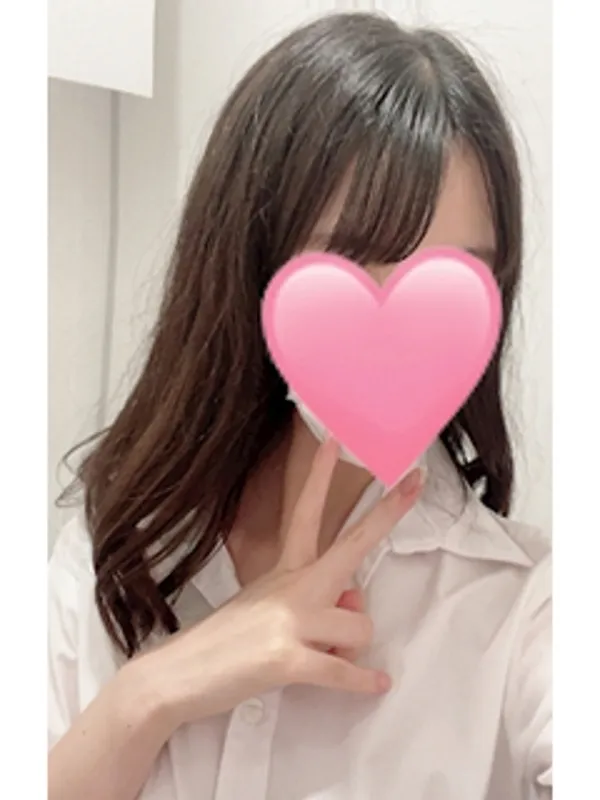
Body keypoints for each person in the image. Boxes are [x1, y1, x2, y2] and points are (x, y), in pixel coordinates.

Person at [48, 11, 551, 800]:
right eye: (353, 261)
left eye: (454, 281)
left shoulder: (527, 607)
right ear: (248, 265)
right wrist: (145, 698)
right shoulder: (116, 542)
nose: (400, 331)